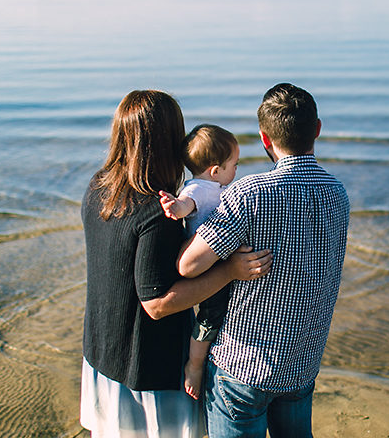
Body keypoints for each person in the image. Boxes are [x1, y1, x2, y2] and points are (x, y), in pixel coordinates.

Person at [80, 90, 272, 438]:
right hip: (148, 368)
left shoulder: (98, 188)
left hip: (101, 351)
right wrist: (230, 271)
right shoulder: (157, 212)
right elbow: (156, 305)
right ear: (167, 141)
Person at [177, 83, 351, 438]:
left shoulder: (250, 194)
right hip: (302, 362)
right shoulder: (338, 194)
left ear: (264, 138)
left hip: (244, 367)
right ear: (317, 129)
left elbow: (188, 266)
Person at [158, 124, 241, 400]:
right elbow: (187, 203)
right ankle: (194, 366)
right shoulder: (200, 188)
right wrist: (176, 207)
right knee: (209, 317)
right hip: (205, 267)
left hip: (215, 261)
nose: (236, 170)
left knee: (217, 312)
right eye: (234, 165)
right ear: (215, 170)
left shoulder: (214, 186)